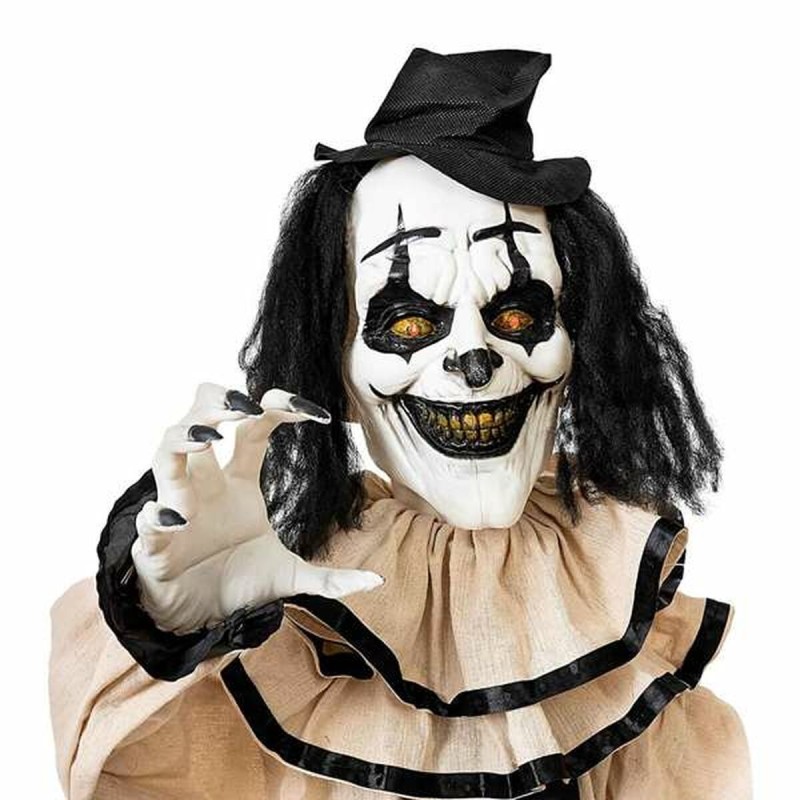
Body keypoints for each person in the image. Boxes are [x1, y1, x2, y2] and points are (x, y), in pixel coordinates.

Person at [49, 48, 752, 799]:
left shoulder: (611, 616)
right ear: (337, 370)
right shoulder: (305, 618)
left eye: (519, 314)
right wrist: (173, 625)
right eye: (410, 321)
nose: (474, 358)